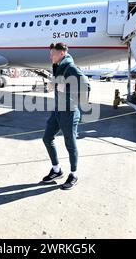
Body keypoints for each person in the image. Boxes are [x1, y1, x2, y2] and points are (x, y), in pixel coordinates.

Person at [42, 43, 84, 190]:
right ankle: (56, 170)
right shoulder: (57, 66)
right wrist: (52, 86)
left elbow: (86, 87)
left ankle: (74, 174)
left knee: (70, 144)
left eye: (53, 53)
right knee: (47, 138)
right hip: (58, 110)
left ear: (61, 53)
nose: (50, 56)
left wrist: (64, 87)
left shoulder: (71, 67)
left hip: (70, 112)